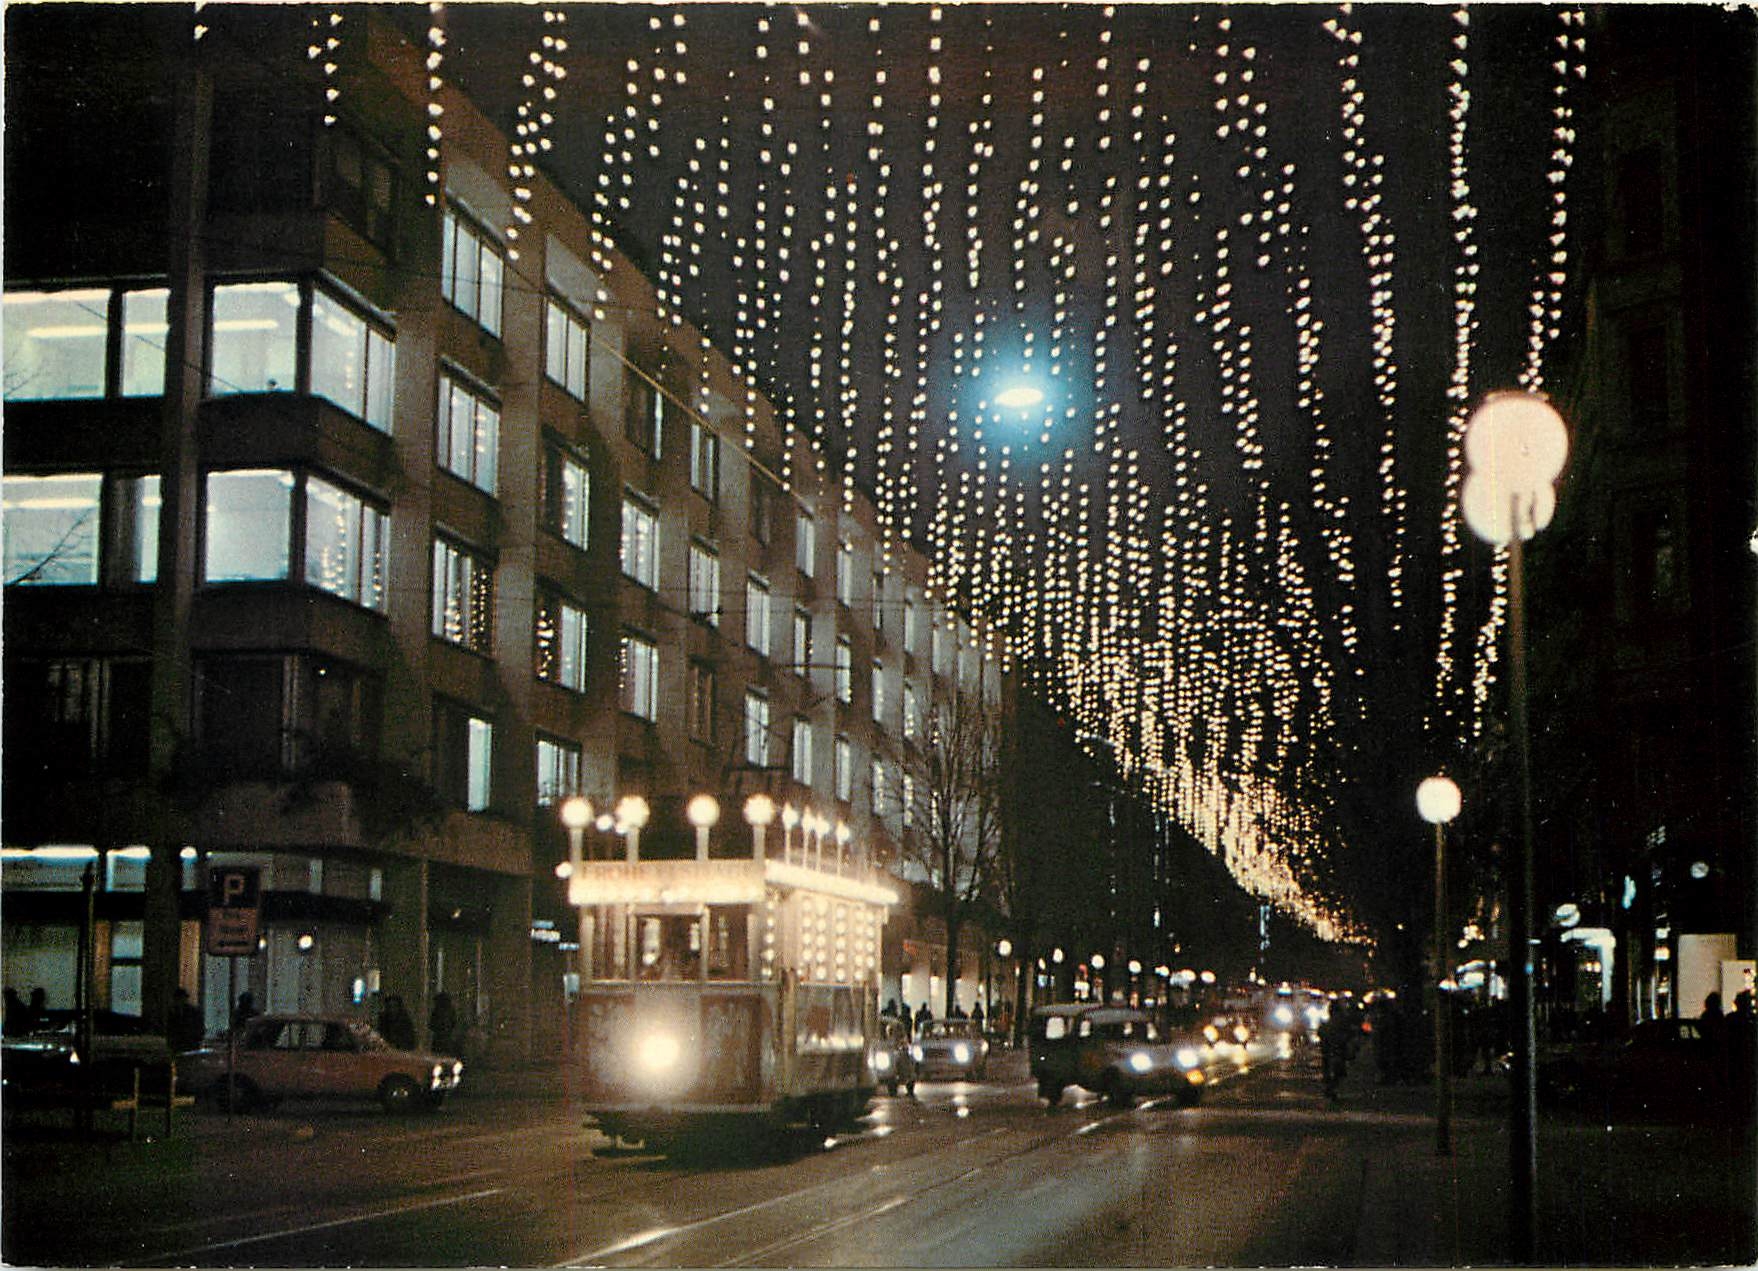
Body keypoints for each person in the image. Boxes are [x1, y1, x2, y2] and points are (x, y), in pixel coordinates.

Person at [1319, 1004, 1349, 1102]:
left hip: (1334, 1052)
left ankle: (1331, 1088)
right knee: (1333, 1071)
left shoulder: (1337, 1024)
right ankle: (1331, 1088)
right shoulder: (1335, 1024)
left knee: (1334, 1071)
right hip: (1332, 1052)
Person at [169, 987, 205, 1052]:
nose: (180, 1001)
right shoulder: (173, 1013)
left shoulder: (193, 1012)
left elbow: (200, 1028)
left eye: (182, 998)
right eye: (178, 999)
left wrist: (196, 1040)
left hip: (191, 1045)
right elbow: (170, 1030)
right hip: (178, 1046)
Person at [429, 991, 458, 1056]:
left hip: (439, 1039)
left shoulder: (437, 1011)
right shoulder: (451, 1011)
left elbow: (431, 1025)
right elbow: (454, 1023)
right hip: (447, 1039)